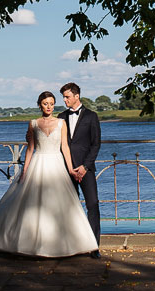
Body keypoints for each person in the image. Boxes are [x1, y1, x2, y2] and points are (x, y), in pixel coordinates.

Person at [0, 91, 98, 257]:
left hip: (56, 165)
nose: (49, 107)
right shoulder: (33, 123)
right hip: (38, 164)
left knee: (61, 205)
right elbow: (30, 148)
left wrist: (69, 169)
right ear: (40, 104)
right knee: (33, 205)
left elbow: (65, 148)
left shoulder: (61, 122)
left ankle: (71, 244)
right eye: (46, 103)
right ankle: (30, 243)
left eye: (52, 103)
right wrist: (25, 170)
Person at [60, 81, 101, 257]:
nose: (64, 100)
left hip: (86, 169)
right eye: (63, 97)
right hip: (65, 169)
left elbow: (96, 144)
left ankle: (94, 246)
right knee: (69, 207)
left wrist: (84, 167)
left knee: (92, 204)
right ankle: (71, 244)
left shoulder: (92, 116)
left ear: (77, 96)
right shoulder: (61, 116)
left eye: (67, 96)